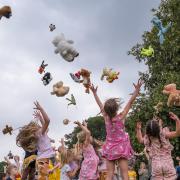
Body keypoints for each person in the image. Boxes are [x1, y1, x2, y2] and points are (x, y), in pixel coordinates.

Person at [90, 79, 143, 180]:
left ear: (106, 109)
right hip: (122, 147)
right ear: (117, 108)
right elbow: (130, 102)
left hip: (110, 147)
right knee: (124, 173)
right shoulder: (121, 116)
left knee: (109, 173)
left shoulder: (106, 117)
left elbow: (99, 104)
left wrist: (95, 93)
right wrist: (136, 91)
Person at [136, 112, 180, 180]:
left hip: (156, 166)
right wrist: (177, 120)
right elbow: (177, 133)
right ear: (158, 128)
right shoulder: (163, 134)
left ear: (148, 131)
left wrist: (138, 129)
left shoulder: (148, 138)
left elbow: (140, 140)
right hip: (167, 164)